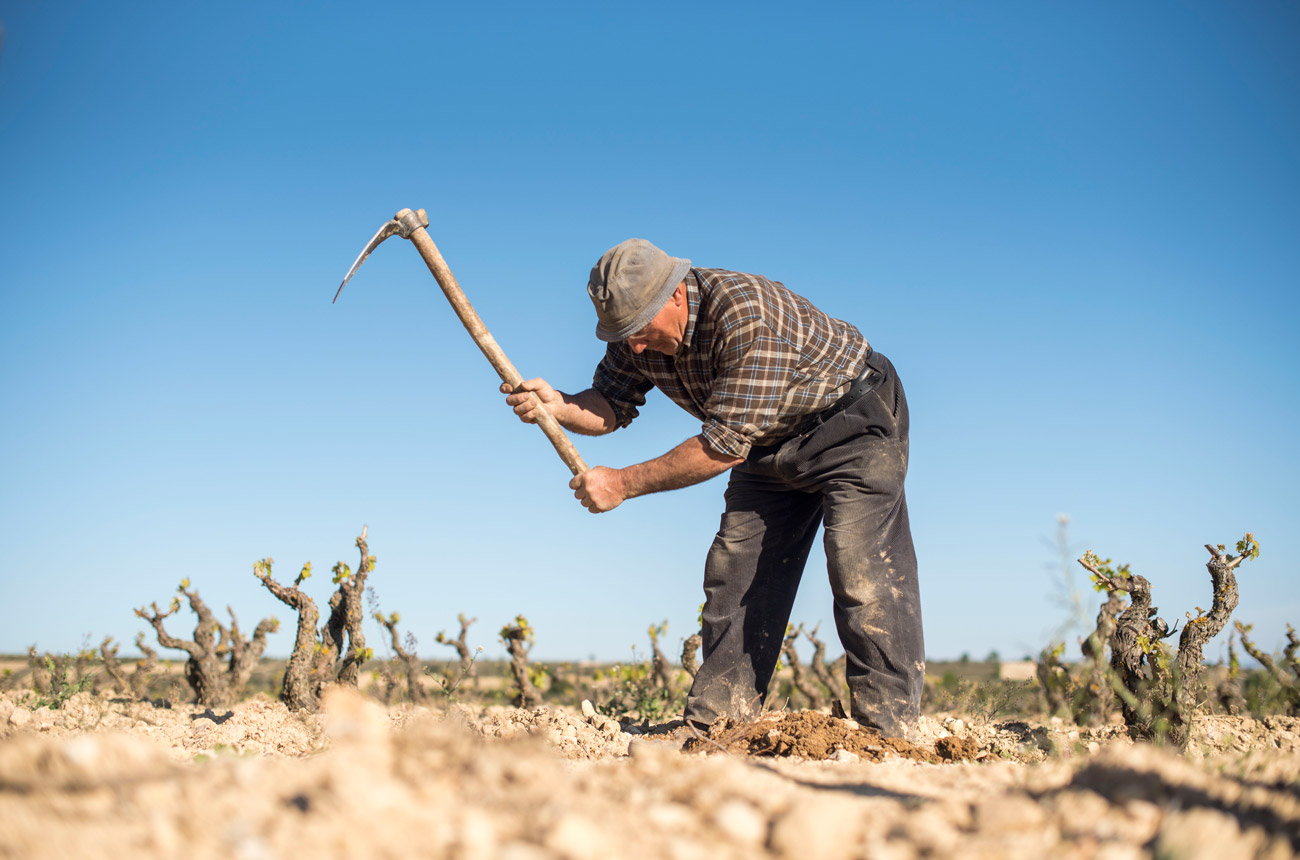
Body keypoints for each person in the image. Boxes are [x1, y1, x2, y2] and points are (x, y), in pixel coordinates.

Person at [501, 238, 923, 737]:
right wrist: (559, 406)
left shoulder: (745, 315)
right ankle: (717, 724)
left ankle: (886, 730)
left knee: (860, 567)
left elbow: (721, 448)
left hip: (851, 423)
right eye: (623, 335)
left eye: (641, 331)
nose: (635, 347)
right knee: (735, 571)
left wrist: (621, 483)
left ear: (676, 295)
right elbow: (610, 404)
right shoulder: (634, 332)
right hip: (766, 440)